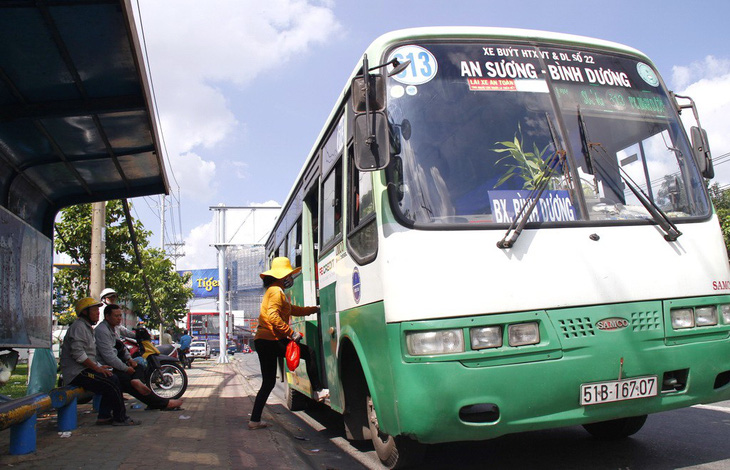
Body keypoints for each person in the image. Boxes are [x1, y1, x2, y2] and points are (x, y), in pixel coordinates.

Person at [248, 257, 329, 430]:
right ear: (281, 276)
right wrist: (291, 333)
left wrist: (315, 309)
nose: (290, 278)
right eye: (288, 275)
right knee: (308, 353)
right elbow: (272, 316)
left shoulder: (274, 291)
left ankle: (254, 420)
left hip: (263, 340)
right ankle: (318, 390)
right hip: (271, 340)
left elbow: (294, 310)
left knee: (268, 383)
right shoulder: (276, 291)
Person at [59, 297, 139, 426]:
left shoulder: (87, 328)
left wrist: (100, 366)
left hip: (86, 370)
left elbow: (90, 355)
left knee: (113, 377)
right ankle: (120, 418)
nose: (97, 313)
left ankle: (104, 416)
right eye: (95, 310)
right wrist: (97, 369)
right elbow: (79, 355)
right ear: (85, 312)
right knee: (111, 381)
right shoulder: (79, 327)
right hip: (77, 373)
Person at [95, 303, 183, 411]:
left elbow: (121, 346)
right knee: (129, 383)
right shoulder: (102, 330)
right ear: (107, 317)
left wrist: (129, 359)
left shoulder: (114, 328)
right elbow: (109, 357)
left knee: (139, 365)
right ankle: (162, 403)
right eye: (116, 316)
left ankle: (139, 383)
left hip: (115, 364)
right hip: (106, 367)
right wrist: (126, 368)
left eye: (120, 316)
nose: (119, 319)